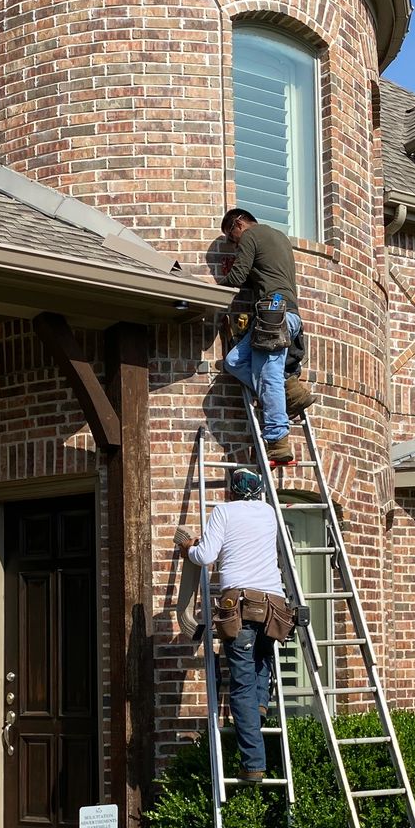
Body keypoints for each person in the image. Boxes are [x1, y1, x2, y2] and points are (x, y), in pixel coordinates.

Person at [179, 467, 289, 781]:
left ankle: (253, 765)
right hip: (272, 606)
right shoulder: (269, 512)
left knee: (240, 686)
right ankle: (260, 706)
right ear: (256, 491)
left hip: (239, 605)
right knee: (262, 658)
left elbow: (206, 555)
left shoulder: (223, 512)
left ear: (231, 491)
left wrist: (189, 549)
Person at [218, 208, 315, 466]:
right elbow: (267, 276)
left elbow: (237, 277)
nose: (233, 243)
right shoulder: (279, 237)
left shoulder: (251, 236)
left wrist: (215, 288)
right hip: (288, 315)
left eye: (231, 236)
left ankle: (277, 442)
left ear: (239, 223)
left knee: (268, 377)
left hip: (273, 314)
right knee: (234, 361)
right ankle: (291, 393)